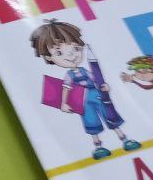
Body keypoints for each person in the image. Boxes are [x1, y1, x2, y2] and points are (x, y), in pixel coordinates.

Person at [30, 19, 140, 160]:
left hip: (97, 95)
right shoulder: (69, 75)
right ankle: (98, 147)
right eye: (59, 53)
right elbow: (66, 89)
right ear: (48, 57)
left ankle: (124, 139)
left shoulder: (84, 70)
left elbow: (96, 79)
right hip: (83, 101)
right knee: (91, 121)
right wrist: (64, 103)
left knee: (110, 115)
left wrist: (105, 87)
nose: (71, 55)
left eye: (75, 49)